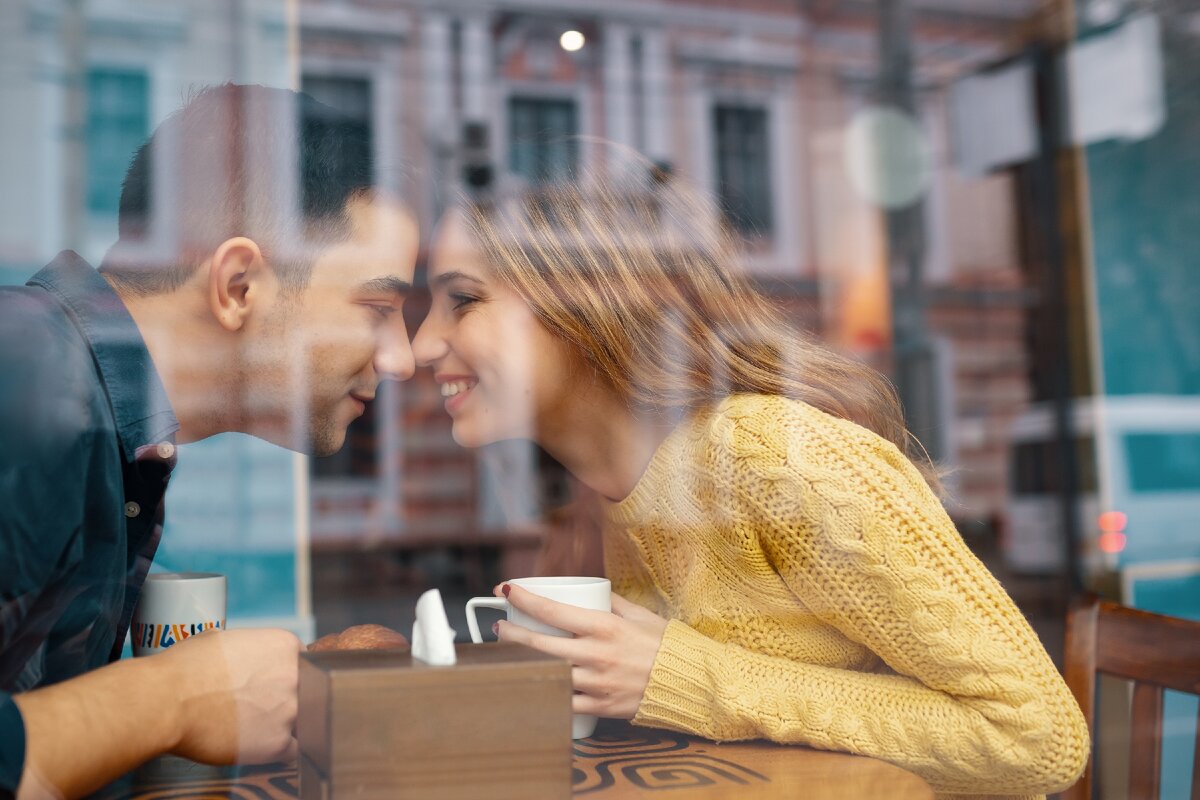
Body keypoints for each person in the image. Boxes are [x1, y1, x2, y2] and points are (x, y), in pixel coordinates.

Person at [411, 175, 1090, 799]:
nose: (421, 345)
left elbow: (1036, 741)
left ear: (589, 302)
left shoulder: (768, 458)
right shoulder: (616, 496)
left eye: (464, 300)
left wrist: (685, 678)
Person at [0, 83, 418, 800]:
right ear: (238, 285)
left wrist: (236, 692)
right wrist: (176, 698)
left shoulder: (92, 407)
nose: (403, 358)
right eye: (377, 308)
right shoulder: (28, 384)